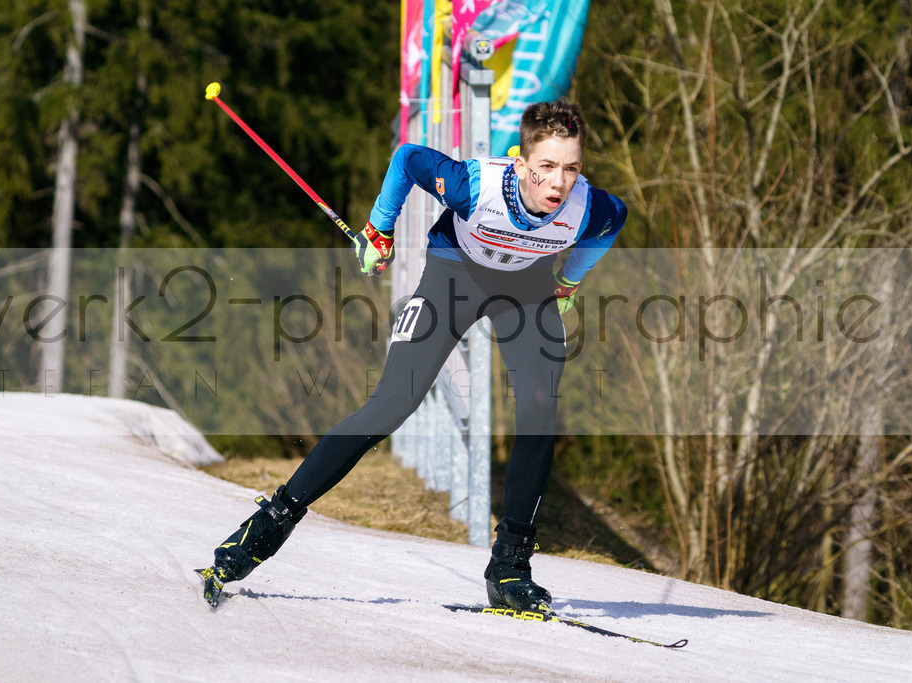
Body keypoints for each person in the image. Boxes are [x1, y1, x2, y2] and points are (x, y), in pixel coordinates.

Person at [198, 98, 627, 610]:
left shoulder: (588, 206)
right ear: (520, 163)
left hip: (527, 287)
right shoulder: (475, 186)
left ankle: (510, 568)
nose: (558, 183)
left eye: (571, 168)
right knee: (391, 405)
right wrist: (379, 230)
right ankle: (263, 531)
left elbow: (614, 221)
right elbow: (406, 158)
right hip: (455, 274)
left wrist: (568, 279)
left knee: (539, 411)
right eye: (547, 167)